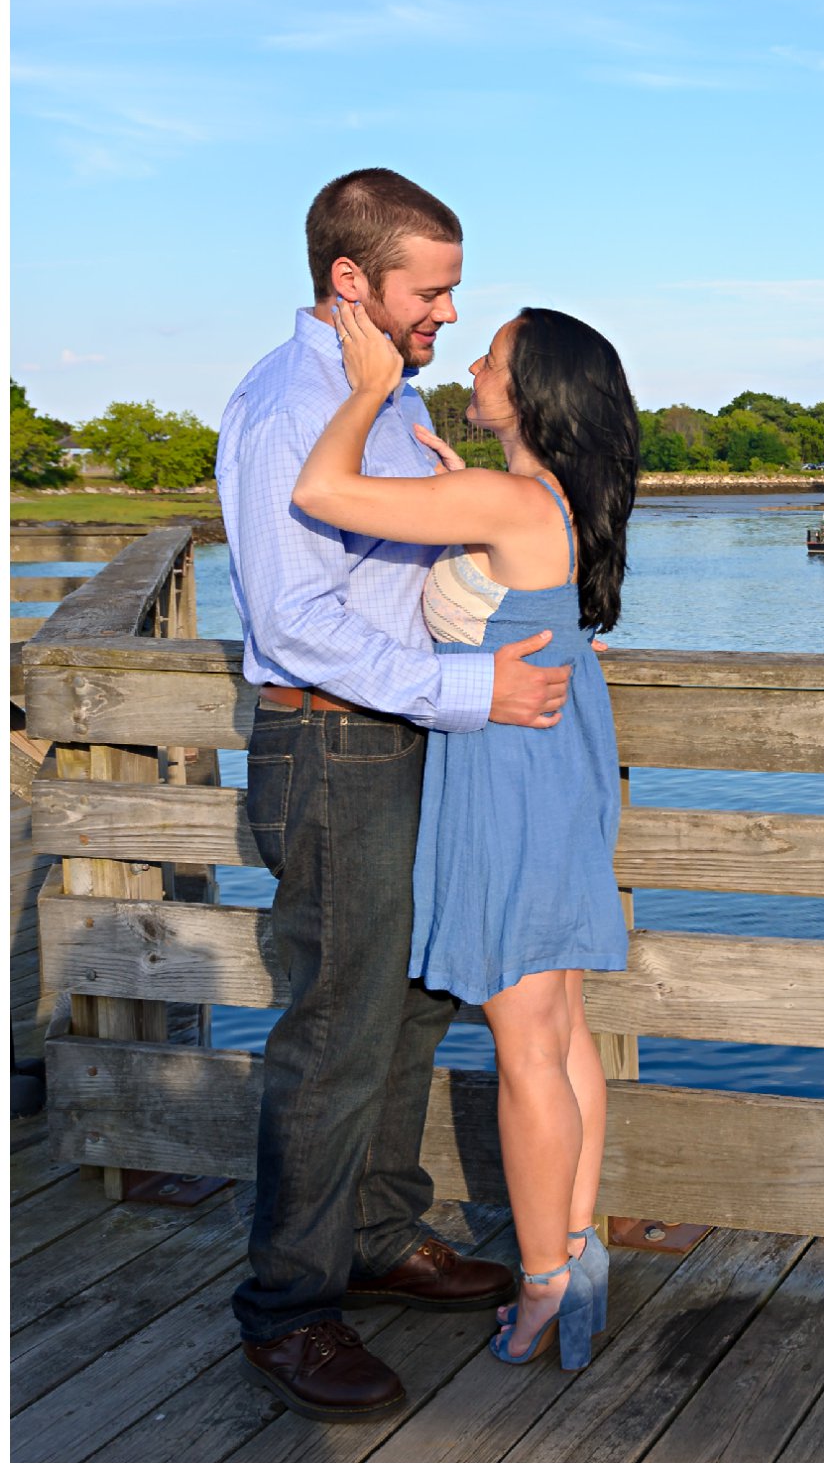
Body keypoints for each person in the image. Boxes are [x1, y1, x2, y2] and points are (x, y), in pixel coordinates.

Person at [218, 169, 577, 1421]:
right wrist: (478, 691)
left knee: (417, 1003)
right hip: (335, 744)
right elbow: (297, 625)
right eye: (430, 293)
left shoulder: (387, 399)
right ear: (351, 281)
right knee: (332, 1026)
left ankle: (376, 1235)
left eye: (452, 292)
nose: (443, 315)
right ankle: (288, 1307)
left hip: (409, 734)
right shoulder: (289, 410)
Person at [296, 297, 639, 1374]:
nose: (473, 366)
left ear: (530, 392)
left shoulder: (503, 499)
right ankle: (574, 1254)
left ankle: (542, 1286)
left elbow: (319, 491)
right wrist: (456, 480)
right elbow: (497, 558)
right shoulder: (549, 498)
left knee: (526, 1038)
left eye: (492, 359)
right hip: (558, 766)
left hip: (510, 774)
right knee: (561, 1022)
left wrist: (363, 392)